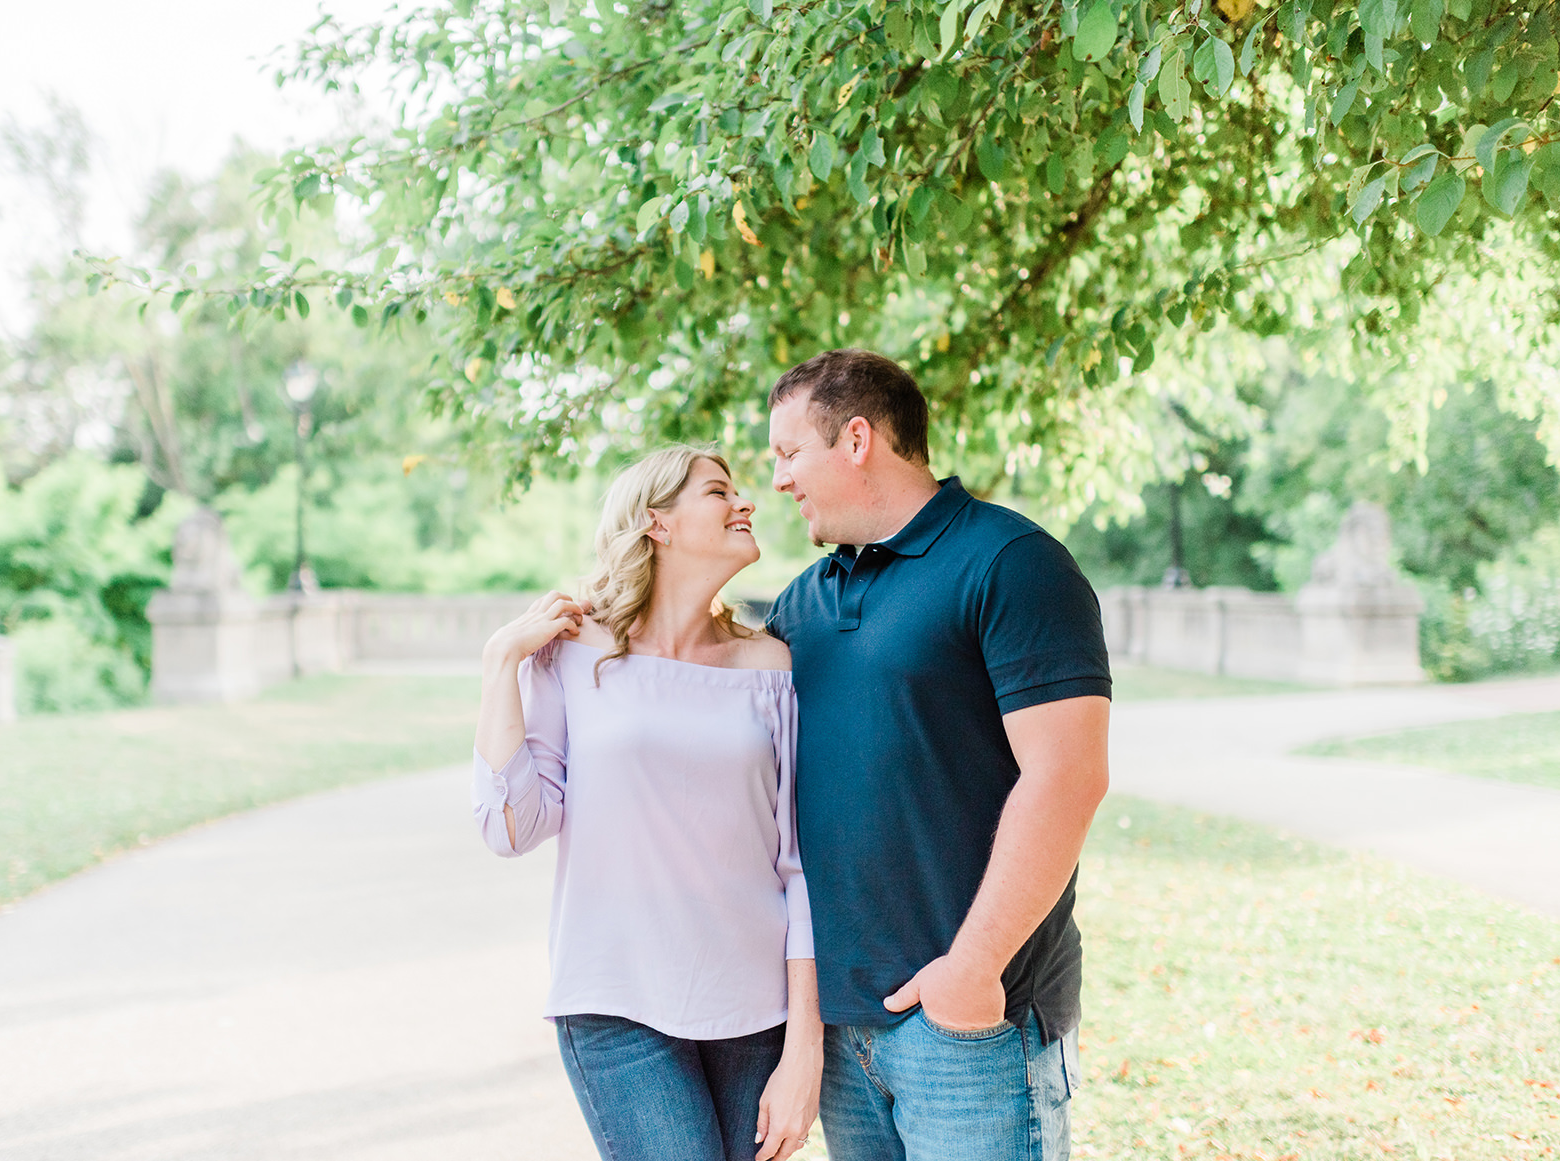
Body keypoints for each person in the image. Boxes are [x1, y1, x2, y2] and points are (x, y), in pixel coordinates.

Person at [765, 349, 1112, 1161]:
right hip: (843, 1031)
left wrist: (970, 968)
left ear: (856, 439)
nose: (778, 480)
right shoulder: (800, 603)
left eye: (788, 454)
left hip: (970, 1025)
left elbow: (1069, 775)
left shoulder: (1010, 562)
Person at [470, 445, 822, 1161]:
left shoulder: (772, 665)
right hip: (615, 998)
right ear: (657, 523)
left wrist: (804, 1050)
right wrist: (500, 663)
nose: (745, 502)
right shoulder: (572, 650)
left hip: (755, 1009)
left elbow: (799, 864)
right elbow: (512, 826)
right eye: (719, 491)